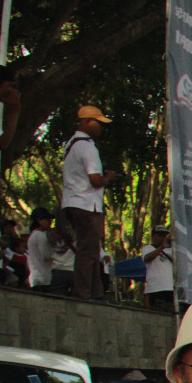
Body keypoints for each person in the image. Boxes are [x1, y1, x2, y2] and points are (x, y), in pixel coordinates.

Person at [60, 106, 116, 300]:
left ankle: (96, 292)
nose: (100, 126)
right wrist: (108, 177)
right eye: (97, 122)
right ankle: (83, 293)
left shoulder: (71, 144)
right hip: (86, 204)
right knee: (87, 252)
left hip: (73, 202)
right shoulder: (87, 147)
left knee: (91, 250)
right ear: (86, 122)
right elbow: (95, 180)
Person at [143, 226, 175, 312]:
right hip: (155, 288)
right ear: (154, 237)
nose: (163, 238)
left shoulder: (171, 250)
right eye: (160, 235)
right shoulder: (148, 248)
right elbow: (147, 258)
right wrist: (161, 248)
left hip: (170, 288)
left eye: (164, 235)